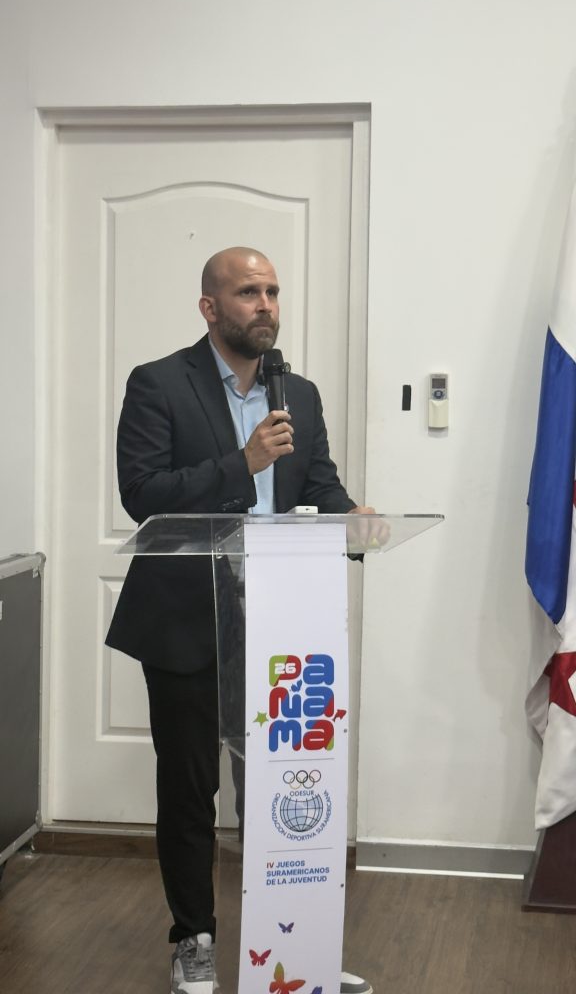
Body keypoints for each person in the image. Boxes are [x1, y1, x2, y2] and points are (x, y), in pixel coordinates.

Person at [106, 247, 374, 994]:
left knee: (281, 786)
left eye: (273, 291)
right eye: (249, 292)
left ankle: (291, 943)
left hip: (283, 625)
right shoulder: (160, 383)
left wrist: (355, 518)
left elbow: (316, 483)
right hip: (185, 619)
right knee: (191, 791)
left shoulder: (300, 394)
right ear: (210, 307)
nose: (266, 305)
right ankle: (193, 939)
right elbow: (142, 492)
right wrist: (241, 462)